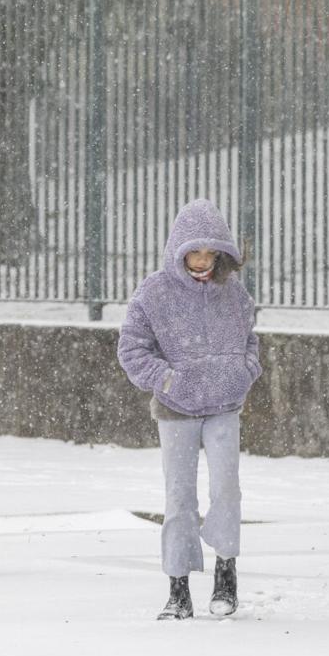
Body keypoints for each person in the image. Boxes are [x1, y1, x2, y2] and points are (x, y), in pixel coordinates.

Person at [117, 199, 261, 621]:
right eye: (194, 252)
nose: (201, 261)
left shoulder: (234, 295)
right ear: (178, 250)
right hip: (175, 411)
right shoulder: (154, 293)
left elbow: (250, 341)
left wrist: (245, 370)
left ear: (222, 254)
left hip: (225, 408)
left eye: (210, 253)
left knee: (226, 490)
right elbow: (131, 348)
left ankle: (226, 572)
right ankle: (177, 588)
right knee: (179, 499)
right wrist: (166, 380)